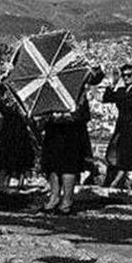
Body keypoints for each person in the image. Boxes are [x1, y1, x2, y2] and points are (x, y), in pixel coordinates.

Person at [38, 68, 105, 215]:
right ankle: (54, 197)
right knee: (52, 165)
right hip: (54, 127)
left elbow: (97, 76)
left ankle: (67, 200)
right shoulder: (52, 82)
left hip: (72, 129)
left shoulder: (77, 81)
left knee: (68, 165)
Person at [0, 86, 36, 191]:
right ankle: (6, 183)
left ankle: (9, 182)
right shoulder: (13, 92)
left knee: (13, 157)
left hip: (15, 129)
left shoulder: (20, 94)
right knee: (10, 157)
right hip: (14, 128)